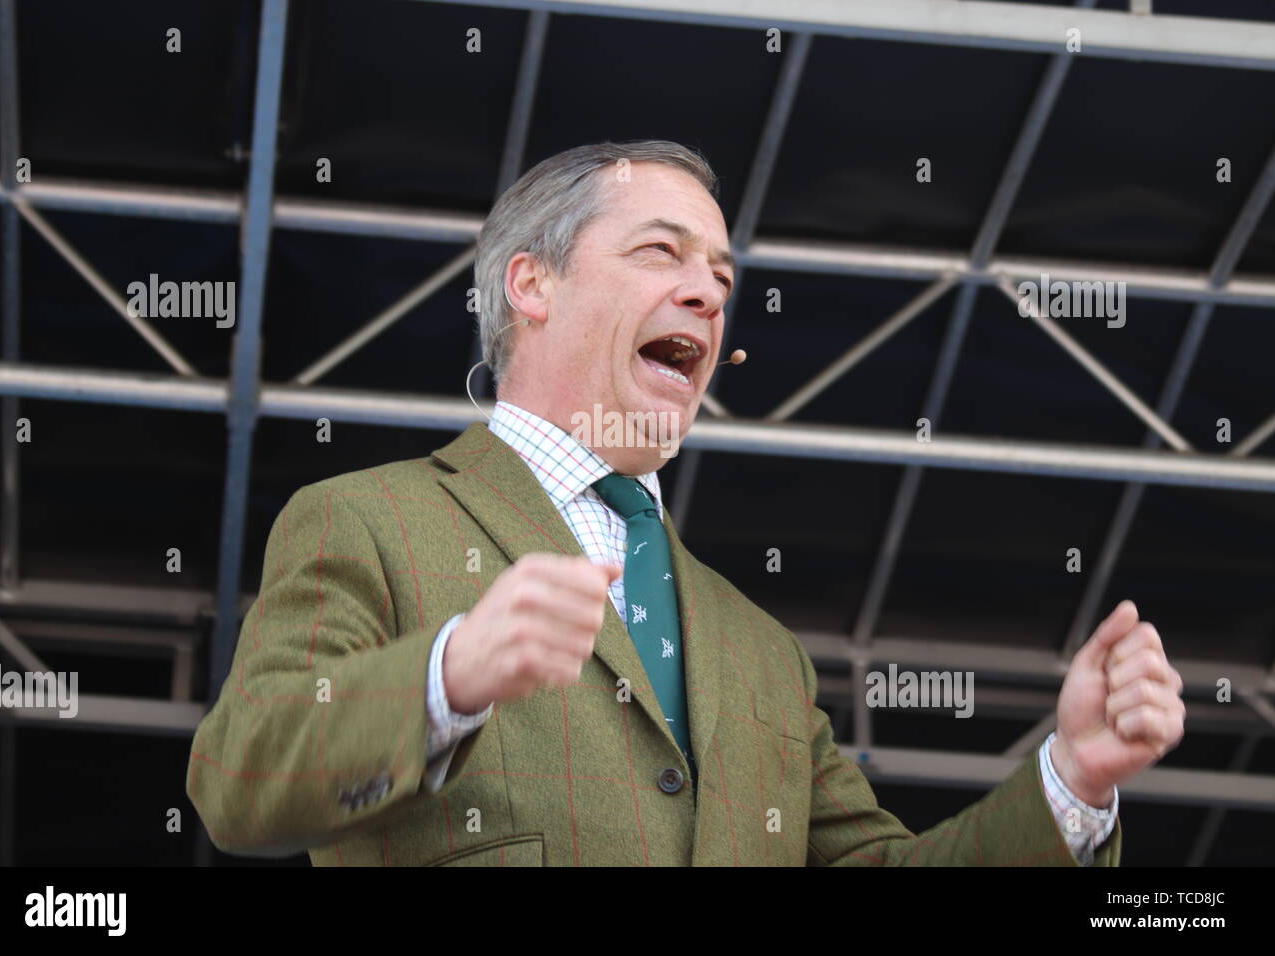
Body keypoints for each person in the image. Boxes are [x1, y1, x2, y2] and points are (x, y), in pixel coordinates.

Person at [186, 140, 1185, 865]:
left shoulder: (762, 651)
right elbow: (239, 783)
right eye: (660, 253)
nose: (708, 292)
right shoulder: (369, 518)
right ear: (531, 284)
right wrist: (452, 673)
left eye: (720, 273)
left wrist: (1073, 780)